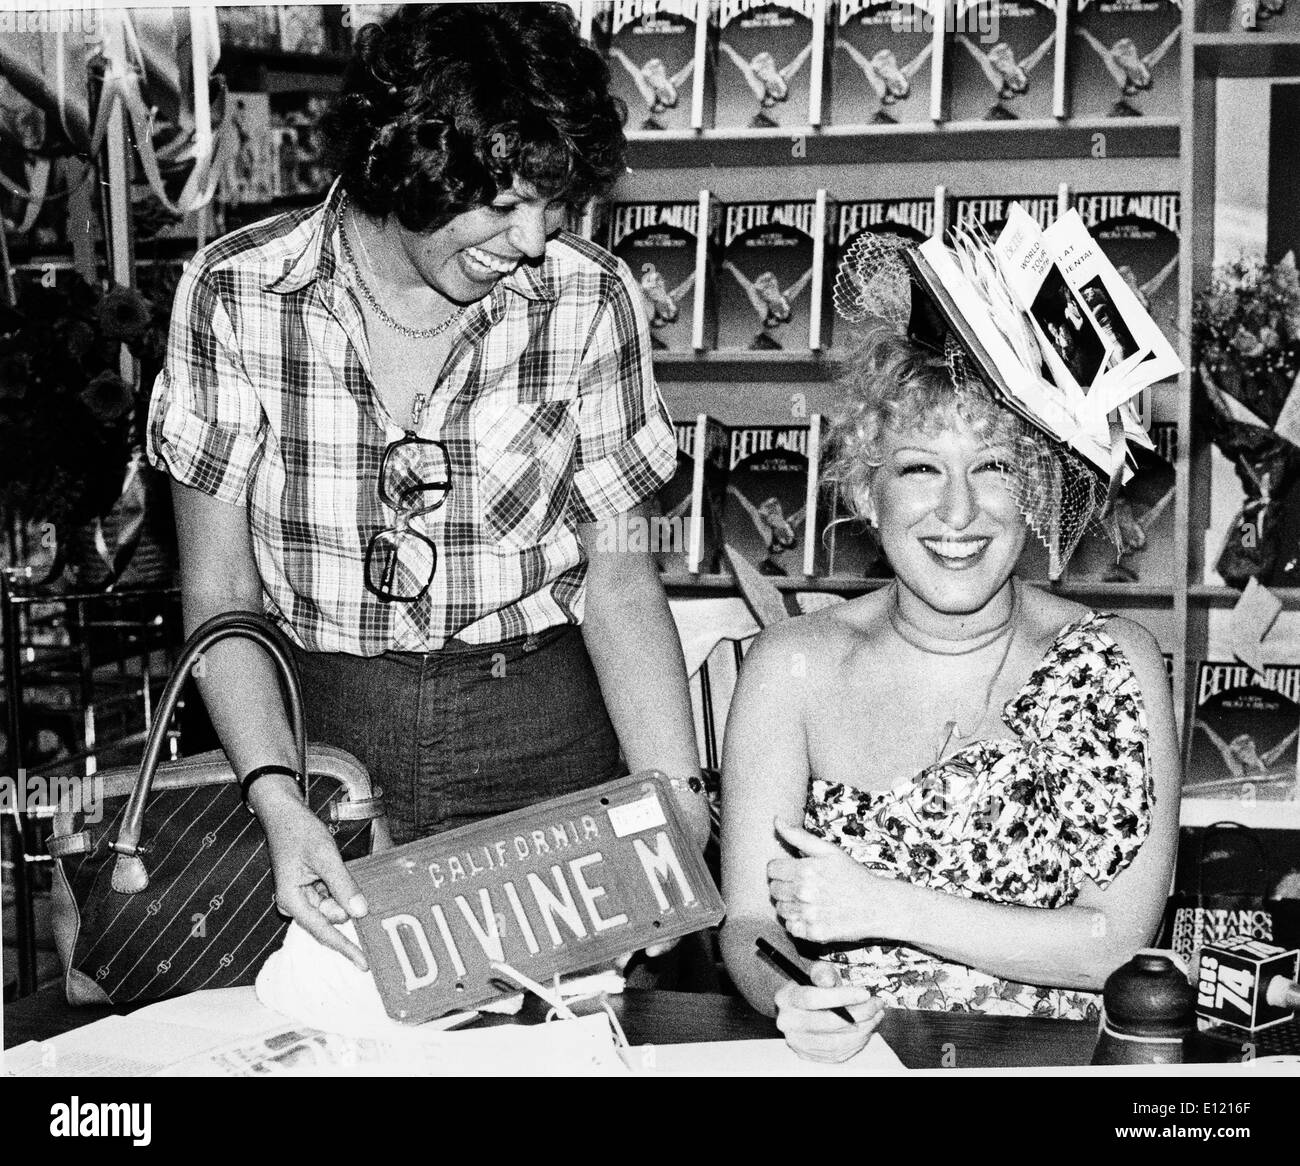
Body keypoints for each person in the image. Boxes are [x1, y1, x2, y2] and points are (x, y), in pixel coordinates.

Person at [147, 3, 708, 971]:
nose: (533, 240)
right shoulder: (237, 293)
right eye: (500, 204)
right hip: (317, 733)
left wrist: (677, 792)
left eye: (555, 202)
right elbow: (222, 596)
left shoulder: (588, 297)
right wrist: (277, 794)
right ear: (405, 162)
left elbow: (619, 582)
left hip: (541, 734)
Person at [719, 242, 1180, 1063]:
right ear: (868, 489)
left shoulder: (1114, 662)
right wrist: (795, 996)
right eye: (922, 468)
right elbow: (752, 921)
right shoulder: (789, 663)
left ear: (1038, 483)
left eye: (994, 467)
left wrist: (884, 905)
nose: (958, 511)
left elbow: (1113, 944)